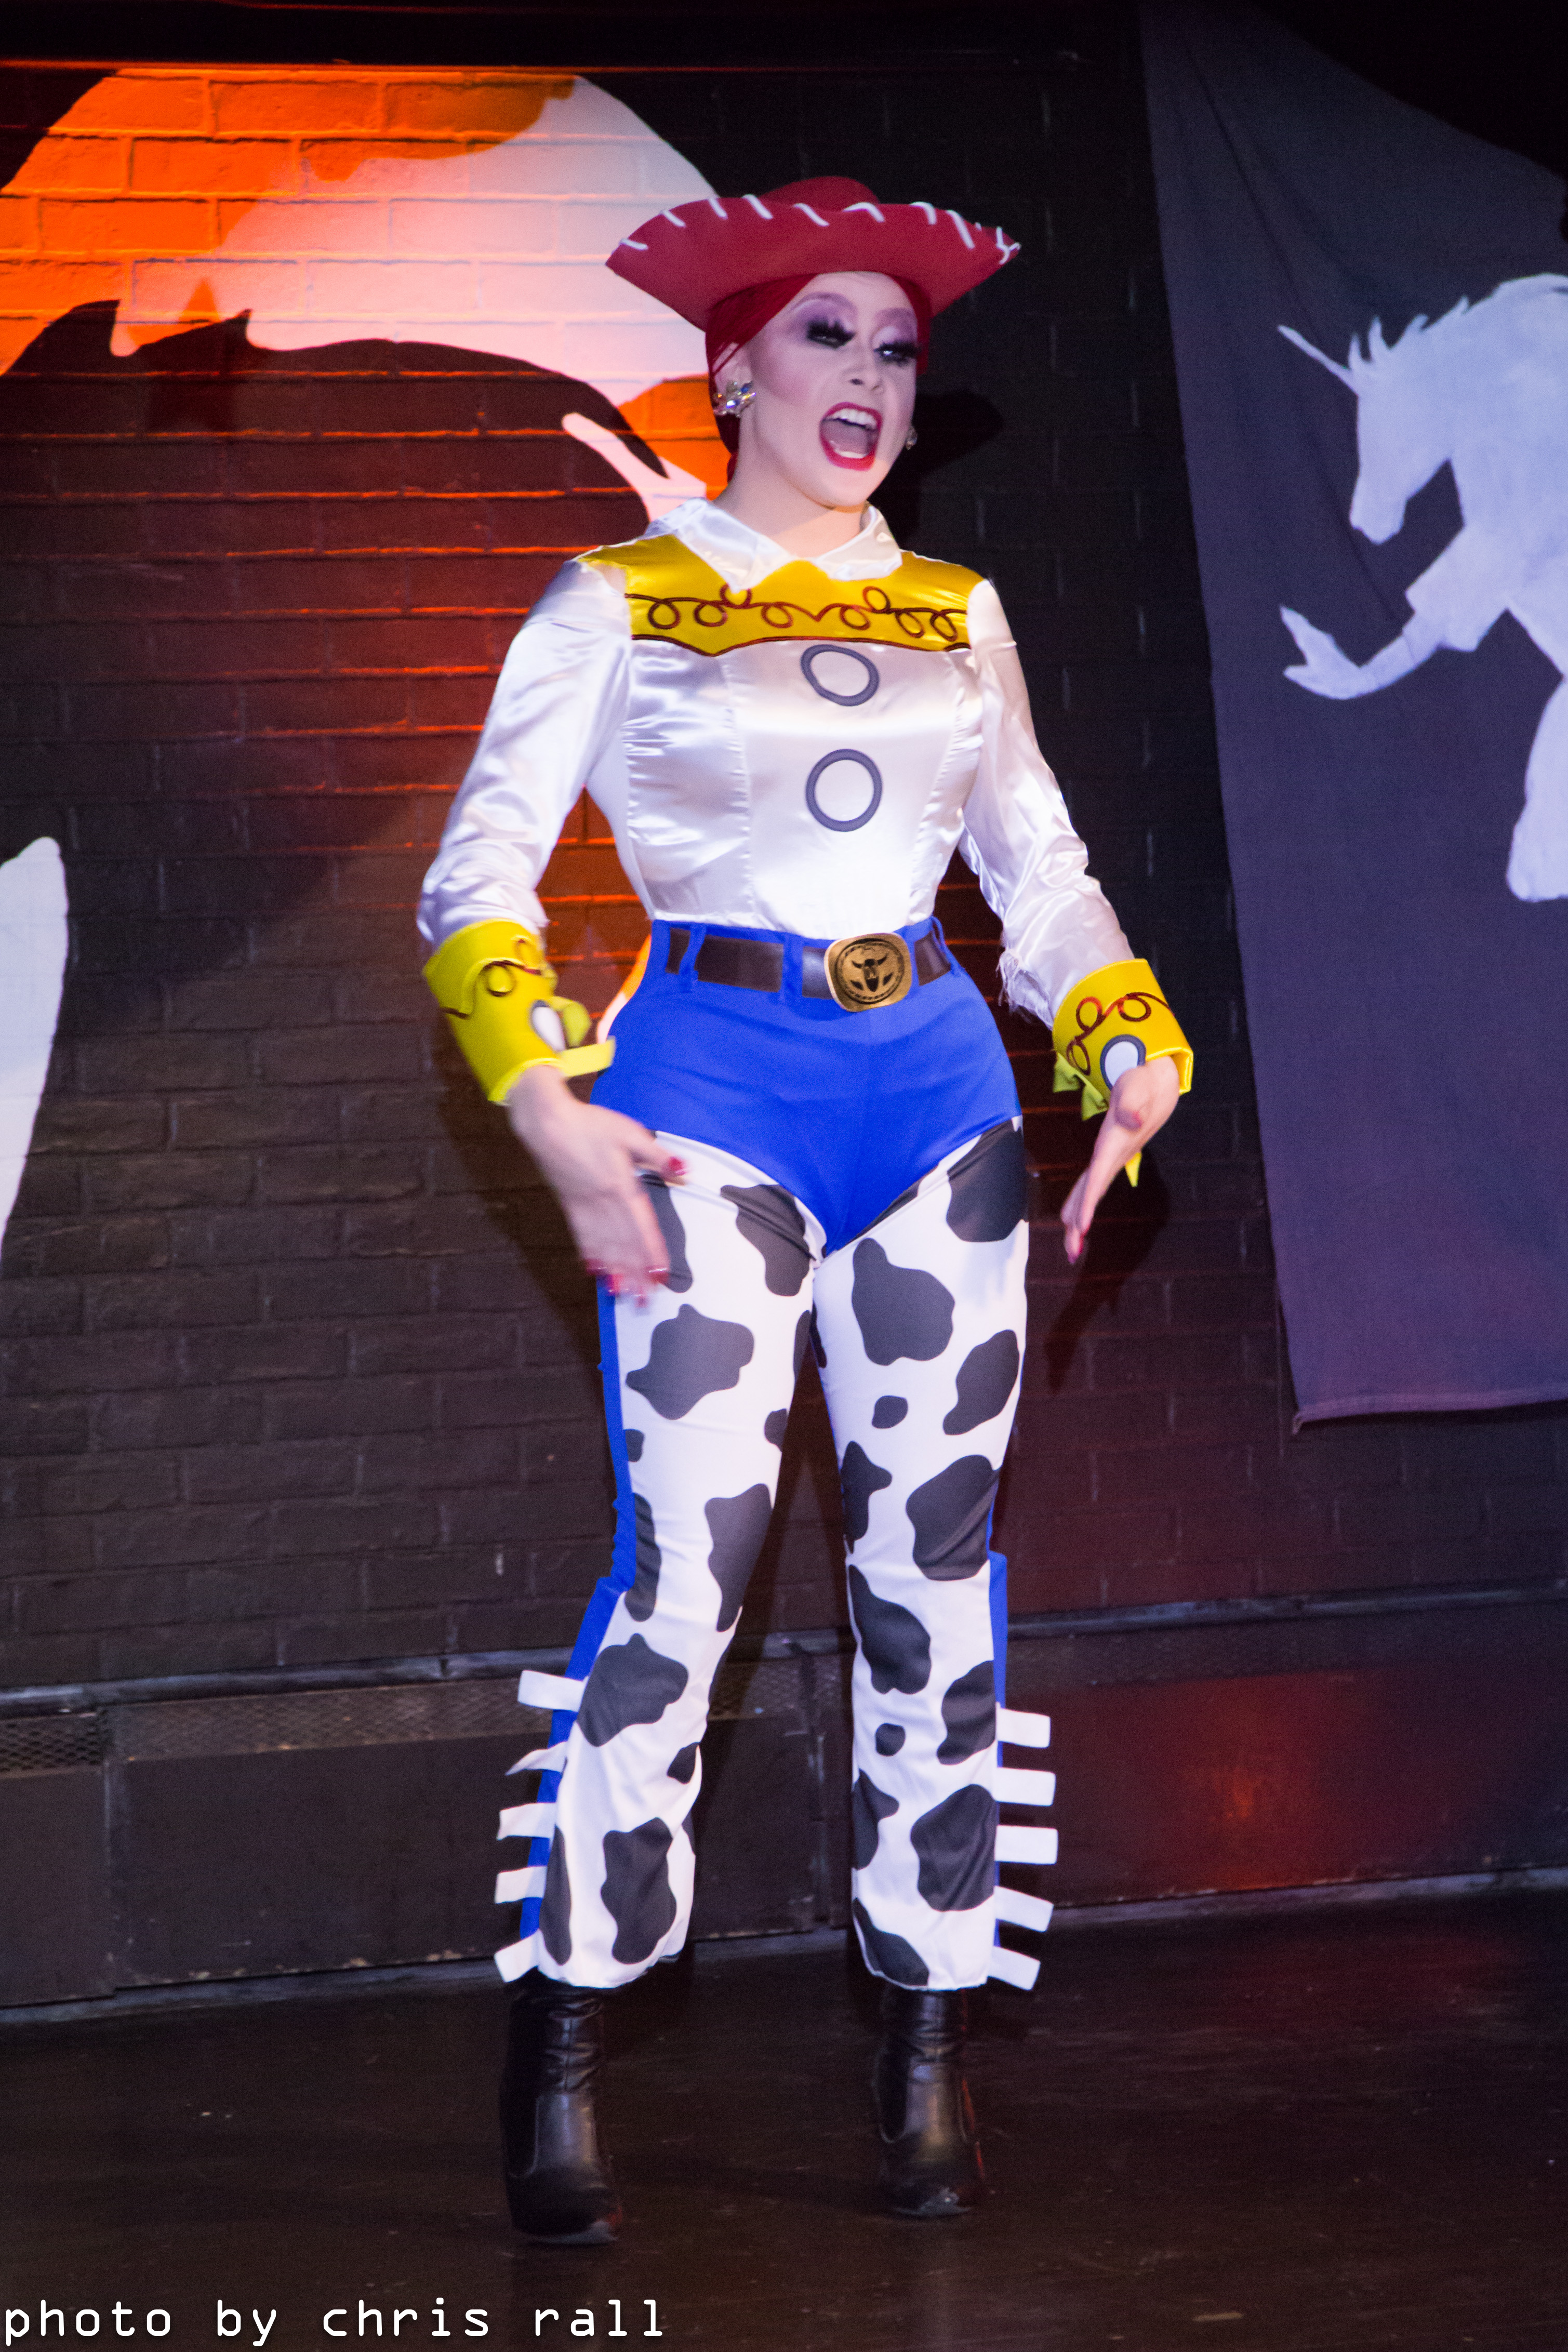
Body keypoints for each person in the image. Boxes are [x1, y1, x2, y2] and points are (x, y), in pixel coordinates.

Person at [417, 177, 1192, 2242]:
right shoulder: (616, 599)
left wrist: (1123, 1032)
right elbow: (476, 877)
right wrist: (542, 1098)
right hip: (704, 1111)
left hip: (935, 1105)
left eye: (896, 347)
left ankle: (925, 2032)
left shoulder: (956, 609)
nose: (867, 376)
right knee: (687, 1574)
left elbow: (1035, 867)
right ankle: (565, 2021)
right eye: (825, 336)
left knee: (931, 1584)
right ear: (735, 368)